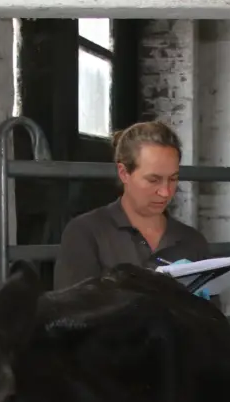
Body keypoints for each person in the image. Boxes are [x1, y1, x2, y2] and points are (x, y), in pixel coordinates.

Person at [52, 121, 214, 296]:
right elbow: (71, 312)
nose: (165, 192)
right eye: (153, 180)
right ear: (123, 173)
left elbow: (212, 318)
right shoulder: (86, 233)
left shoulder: (192, 241)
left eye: (173, 179)